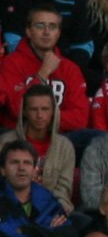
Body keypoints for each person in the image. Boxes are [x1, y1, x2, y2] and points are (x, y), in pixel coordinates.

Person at [0, 3, 91, 134]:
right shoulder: (11, 63)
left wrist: (42, 118)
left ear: (59, 33)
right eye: (40, 25)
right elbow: (17, 110)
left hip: (59, 137)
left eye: (52, 26)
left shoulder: (70, 68)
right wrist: (42, 74)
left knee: (91, 137)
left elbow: (79, 119)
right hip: (20, 137)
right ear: (28, 31)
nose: (46, 32)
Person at [0, 85, 80, 218]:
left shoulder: (65, 147)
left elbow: (63, 190)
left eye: (45, 109)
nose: (39, 115)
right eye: (33, 109)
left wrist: (58, 212)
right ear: (24, 111)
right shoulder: (3, 143)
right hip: (8, 209)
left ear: (53, 111)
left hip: (49, 210)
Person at [0, 141, 73, 237]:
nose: (21, 168)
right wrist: (47, 234)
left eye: (27, 163)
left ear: (35, 170)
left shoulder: (49, 201)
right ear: (2, 170)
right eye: (14, 162)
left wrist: (28, 231)